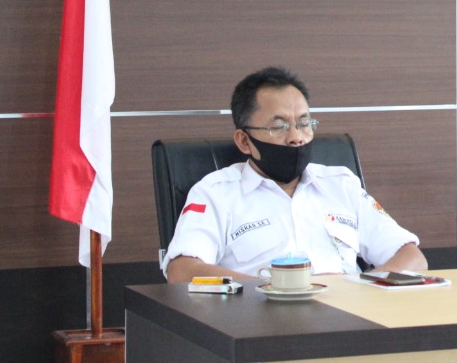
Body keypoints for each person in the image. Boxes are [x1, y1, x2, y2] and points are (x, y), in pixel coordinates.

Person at [162, 67, 427, 282]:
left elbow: (412, 258)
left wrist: (361, 286)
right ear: (244, 141)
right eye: (279, 127)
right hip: (259, 319)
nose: (296, 137)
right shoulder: (216, 193)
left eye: (303, 123)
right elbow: (182, 270)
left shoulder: (341, 185)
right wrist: (275, 289)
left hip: (349, 315)